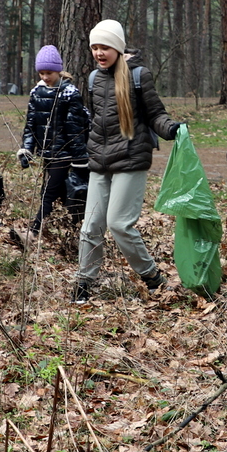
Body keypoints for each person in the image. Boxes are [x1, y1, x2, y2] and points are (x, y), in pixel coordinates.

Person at [73, 19, 182, 303]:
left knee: (119, 224)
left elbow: (155, 113)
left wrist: (171, 128)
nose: (99, 52)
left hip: (131, 159)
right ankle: (84, 282)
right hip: (100, 161)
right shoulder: (94, 79)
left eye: (105, 47)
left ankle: (152, 276)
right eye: (95, 47)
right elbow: (97, 119)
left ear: (118, 48)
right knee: (90, 227)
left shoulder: (138, 76)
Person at [18, 45, 90, 234]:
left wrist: (80, 159)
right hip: (47, 153)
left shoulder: (69, 93)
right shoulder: (36, 93)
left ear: (58, 70)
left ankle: (33, 233)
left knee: (48, 192)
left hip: (64, 153)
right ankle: (70, 230)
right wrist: (27, 149)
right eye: (41, 73)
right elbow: (31, 124)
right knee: (59, 191)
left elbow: (75, 128)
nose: (45, 77)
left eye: (48, 72)